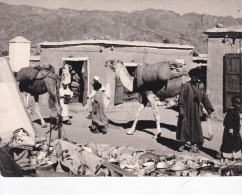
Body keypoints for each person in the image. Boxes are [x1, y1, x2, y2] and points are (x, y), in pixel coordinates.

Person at [176, 68, 214, 153]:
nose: (193, 78)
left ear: (198, 77)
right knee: (184, 126)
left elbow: (205, 98)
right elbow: (181, 97)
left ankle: (192, 145)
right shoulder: (187, 85)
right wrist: (181, 108)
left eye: (195, 77)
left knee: (195, 128)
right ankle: (182, 143)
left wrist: (209, 109)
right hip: (186, 109)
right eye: (192, 76)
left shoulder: (201, 86)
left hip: (196, 110)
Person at [220, 95, 242, 165]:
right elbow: (228, 121)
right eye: (238, 103)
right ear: (234, 103)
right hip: (230, 131)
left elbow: (236, 121)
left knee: (237, 142)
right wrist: (230, 129)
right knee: (228, 144)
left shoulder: (235, 111)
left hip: (235, 131)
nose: (239, 105)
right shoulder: (231, 111)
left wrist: (239, 126)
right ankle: (226, 156)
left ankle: (235, 156)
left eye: (239, 104)